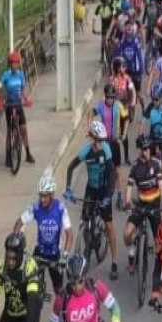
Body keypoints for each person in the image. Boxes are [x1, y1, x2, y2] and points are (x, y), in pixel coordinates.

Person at [64, 120, 119, 280]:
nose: (100, 143)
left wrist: (108, 197)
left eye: (102, 140)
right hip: (91, 189)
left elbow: (111, 176)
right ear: (92, 138)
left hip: (104, 189)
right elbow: (70, 167)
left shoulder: (106, 151)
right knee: (84, 221)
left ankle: (114, 261)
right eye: (98, 140)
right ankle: (87, 242)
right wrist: (68, 189)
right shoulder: (86, 152)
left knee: (108, 225)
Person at [123, 134, 162, 305]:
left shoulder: (156, 165)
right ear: (140, 150)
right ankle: (132, 251)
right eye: (143, 149)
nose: (146, 152)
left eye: (148, 149)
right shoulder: (135, 167)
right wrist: (127, 203)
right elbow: (129, 187)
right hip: (141, 205)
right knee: (127, 234)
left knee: (161, 242)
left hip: (155, 205)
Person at [13, 172, 73, 295]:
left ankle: (61, 312)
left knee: (59, 291)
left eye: (45, 196)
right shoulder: (35, 207)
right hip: (40, 252)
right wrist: (16, 242)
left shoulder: (61, 209)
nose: (42, 199)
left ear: (51, 195)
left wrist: (65, 256)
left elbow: (69, 234)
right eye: (40, 195)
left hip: (55, 254)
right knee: (27, 282)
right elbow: (19, 223)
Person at [49, 252, 122, 322]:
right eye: (73, 283)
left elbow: (114, 307)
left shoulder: (95, 287)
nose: (77, 287)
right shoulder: (63, 297)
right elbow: (54, 320)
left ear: (85, 276)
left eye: (80, 282)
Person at [90, 83, 127, 205]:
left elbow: (126, 119)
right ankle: (101, 192)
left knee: (117, 171)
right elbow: (91, 113)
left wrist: (124, 134)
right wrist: (90, 127)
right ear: (105, 96)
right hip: (104, 142)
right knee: (103, 168)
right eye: (108, 97)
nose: (110, 99)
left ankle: (120, 195)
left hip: (115, 142)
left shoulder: (118, 106)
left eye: (112, 97)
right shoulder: (101, 106)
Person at [0, 50, 34, 166]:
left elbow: (22, 89)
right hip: (9, 105)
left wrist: (26, 98)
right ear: (10, 63)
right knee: (9, 131)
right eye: (13, 63)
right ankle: (8, 157)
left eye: (17, 63)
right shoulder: (5, 75)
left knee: (23, 130)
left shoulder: (21, 75)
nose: (15, 65)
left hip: (18, 105)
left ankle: (28, 153)